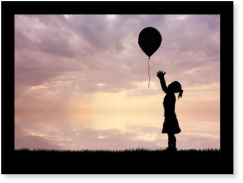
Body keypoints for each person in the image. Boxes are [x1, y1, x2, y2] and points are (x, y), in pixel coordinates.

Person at [157, 71, 183, 151]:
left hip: (170, 116)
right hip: (169, 116)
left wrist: (161, 78)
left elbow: (164, 87)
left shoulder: (170, 94)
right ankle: (171, 147)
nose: (169, 84)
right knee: (170, 133)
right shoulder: (170, 94)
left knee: (170, 133)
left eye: (171, 85)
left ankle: (173, 147)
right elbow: (165, 88)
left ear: (173, 88)